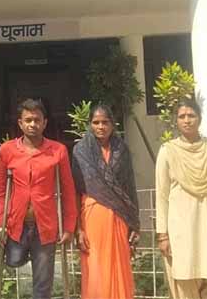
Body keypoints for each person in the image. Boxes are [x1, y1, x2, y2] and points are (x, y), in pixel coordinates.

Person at [156, 98, 207, 299]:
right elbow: (162, 195)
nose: (187, 120)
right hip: (180, 230)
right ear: (176, 121)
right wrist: (162, 235)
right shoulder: (168, 151)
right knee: (184, 278)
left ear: (200, 119)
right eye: (182, 116)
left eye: (191, 115)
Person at [0, 98, 77, 299]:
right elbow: (2, 190)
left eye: (37, 120)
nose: (33, 124)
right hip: (16, 224)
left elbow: (67, 190)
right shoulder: (7, 150)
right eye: (28, 120)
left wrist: (68, 227)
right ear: (20, 123)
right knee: (13, 262)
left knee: (42, 286)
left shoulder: (58, 151)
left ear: (45, 123)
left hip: (45, 226)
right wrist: (0, 224)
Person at [70, 104, 139, 299]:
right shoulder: (81, 151)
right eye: (96, 122)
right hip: (92, 218)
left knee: (119, 265)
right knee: (95, 268)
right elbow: (76, 190)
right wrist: (78, 229)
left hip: (119, 217)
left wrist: (134, 223)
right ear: (90, 124)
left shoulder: (122, 150)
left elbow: (129, 187)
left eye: (105, 122)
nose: (101, 126)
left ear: (112, 124)